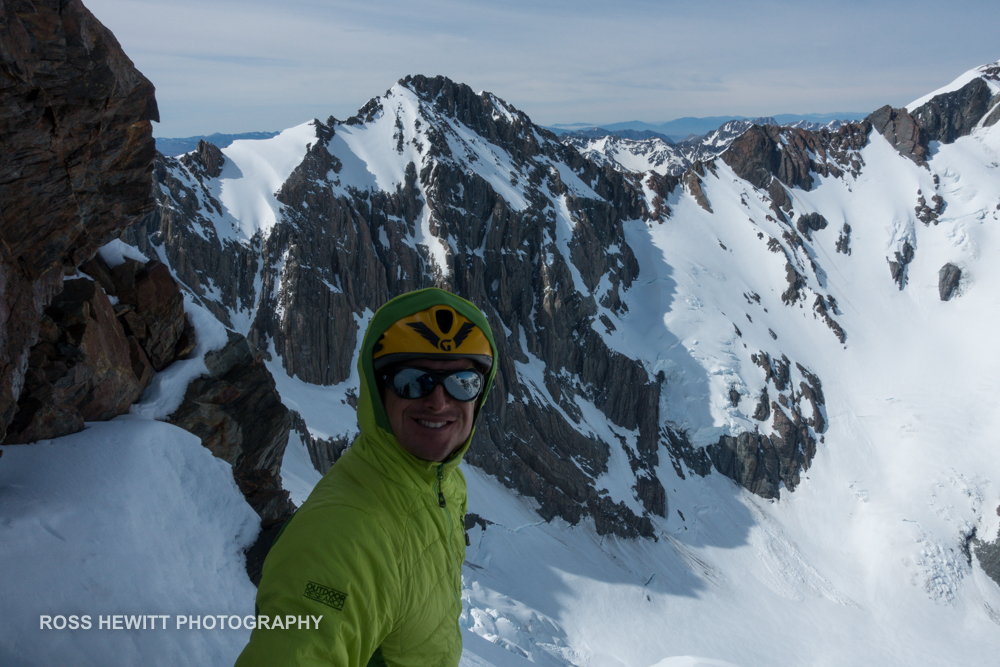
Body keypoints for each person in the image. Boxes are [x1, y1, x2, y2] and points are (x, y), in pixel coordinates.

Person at [235, 287, 498, 667]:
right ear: (379, 394)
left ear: (480, 395)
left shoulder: (440, 483)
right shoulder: (343, 535)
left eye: (463, 382)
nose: (439, 401)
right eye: (413, 380)